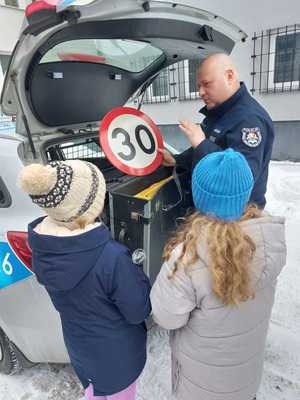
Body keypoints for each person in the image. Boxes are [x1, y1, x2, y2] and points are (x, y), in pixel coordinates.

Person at [150, 148, 286, 400]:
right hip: (245, 379)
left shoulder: (187, 257)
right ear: (245, 194)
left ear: (200, 197)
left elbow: (167, 317)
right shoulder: (267, 240)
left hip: (200, 385)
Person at [18, 160, 151, 400]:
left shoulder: (44, 248)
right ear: (91, 206)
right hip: (118, 359)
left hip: (82, 352)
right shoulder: (112, 258)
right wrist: (139, 275)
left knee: (94, 392)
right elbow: (137, 311)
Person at [160, 53, 274, 208]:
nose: (200, 92)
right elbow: (208, 148)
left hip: (236, 218)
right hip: (214, 210)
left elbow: (241, 180)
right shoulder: (220, 111)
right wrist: (177, 160)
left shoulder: (249, 120)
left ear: (229, 76)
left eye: (206, 84)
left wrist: (201, 144)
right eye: (198, 86)